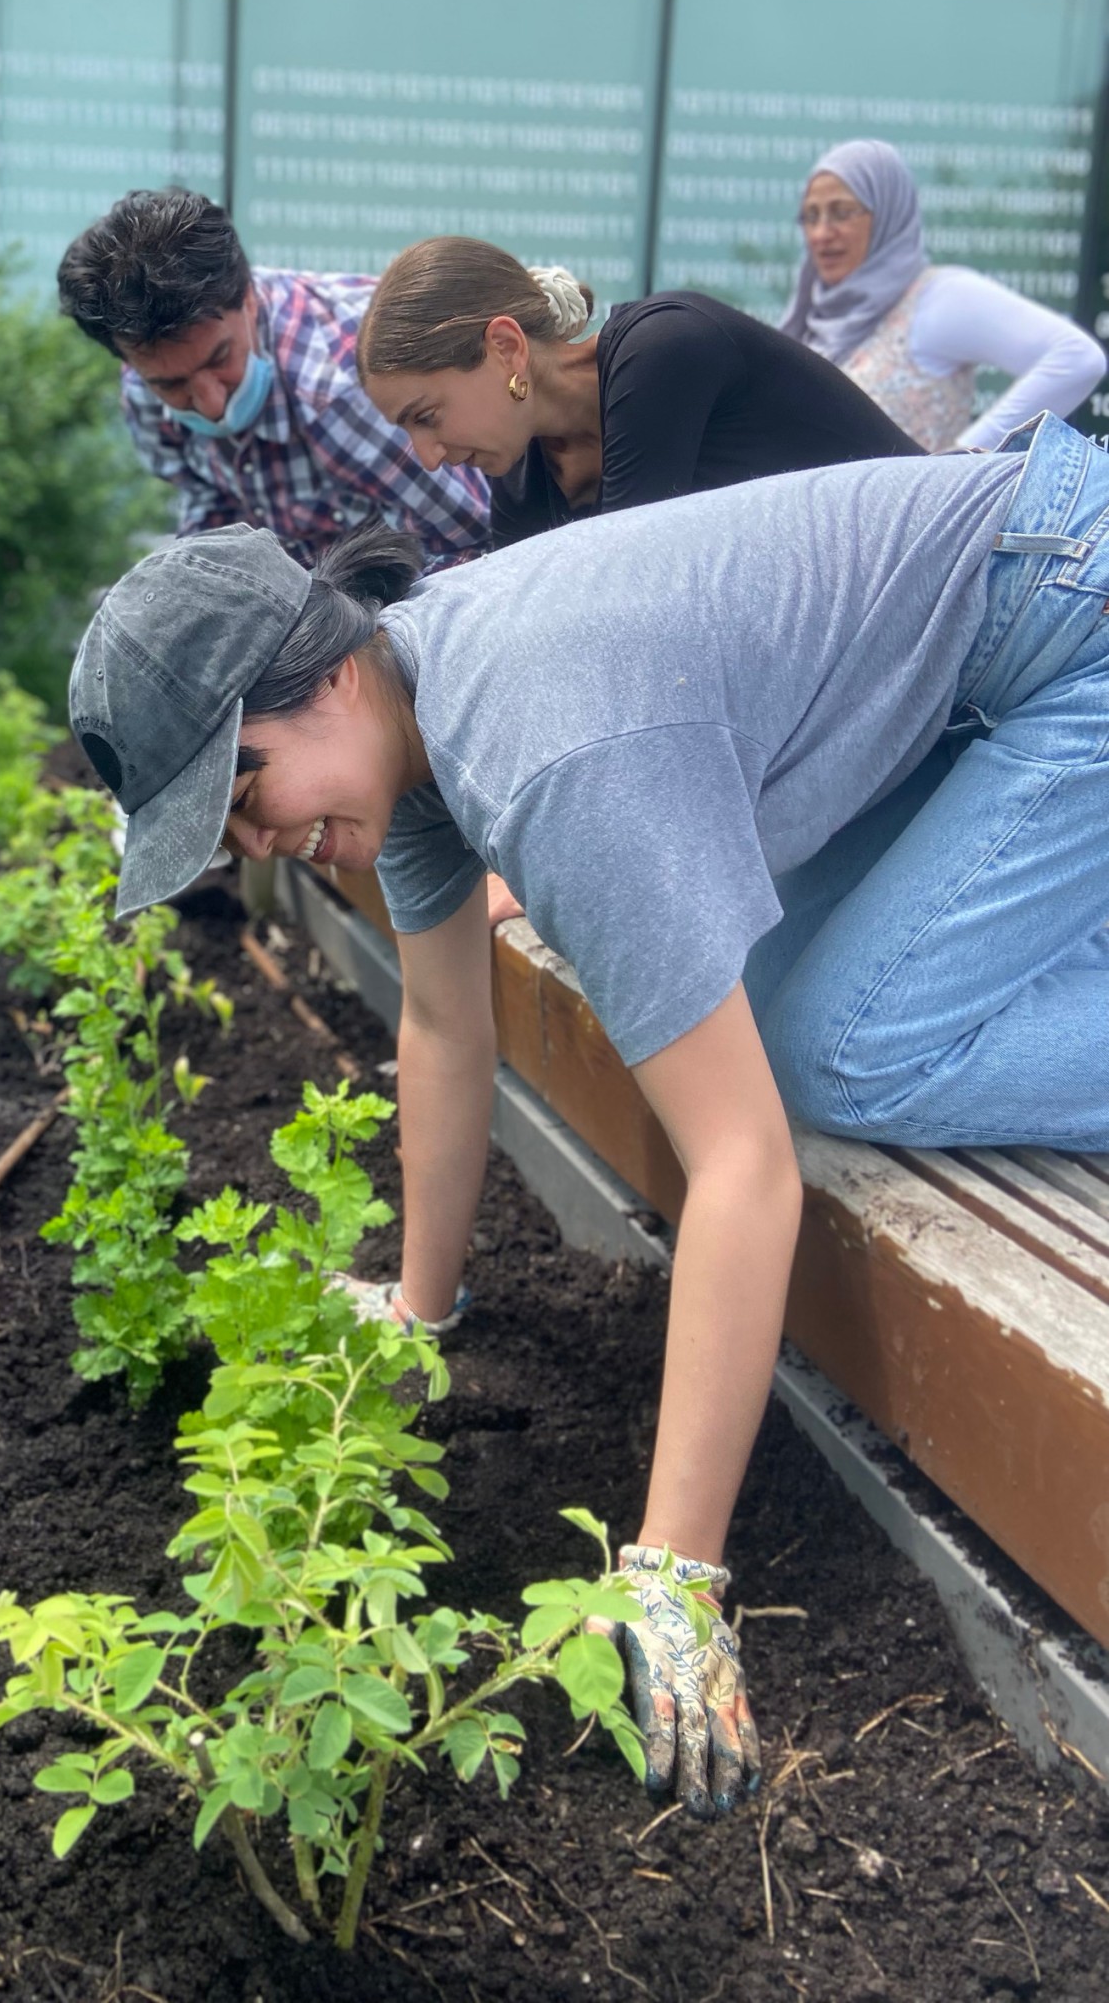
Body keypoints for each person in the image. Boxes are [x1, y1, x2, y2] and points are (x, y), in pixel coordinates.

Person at [67, 412, 1109, 1819]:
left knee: (848, 1054)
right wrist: (420, 1308)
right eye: (224, 837)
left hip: (1076, 611)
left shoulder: (545, 753)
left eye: (242, 790)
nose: (257, 844)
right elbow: (446, 1026)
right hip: (1005, 640)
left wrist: (674, 1569)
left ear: (320, 678)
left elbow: (741, 1169)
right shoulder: (412, 719)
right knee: (786, 1003)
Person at [355, 236, 921, 548]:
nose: (427, 457)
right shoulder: (523, 477)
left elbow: (625, 593)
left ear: (506, 347)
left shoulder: (665, 350)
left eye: (427, 416)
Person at [57, 189, 488, 567]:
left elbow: (468, 544)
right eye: (171, 385)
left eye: (219, 359)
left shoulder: (342, 390)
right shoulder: (142, 394)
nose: (211, 404)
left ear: (248, 298)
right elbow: (210, 511)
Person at [781, 139, 1106, 453]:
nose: (822, 233)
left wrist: (961, 460)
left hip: (914, 494)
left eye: (842, 212)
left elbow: (1077, 358)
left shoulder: (937, 299)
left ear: (888, 213)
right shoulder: (810, 320)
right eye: (811, 216)